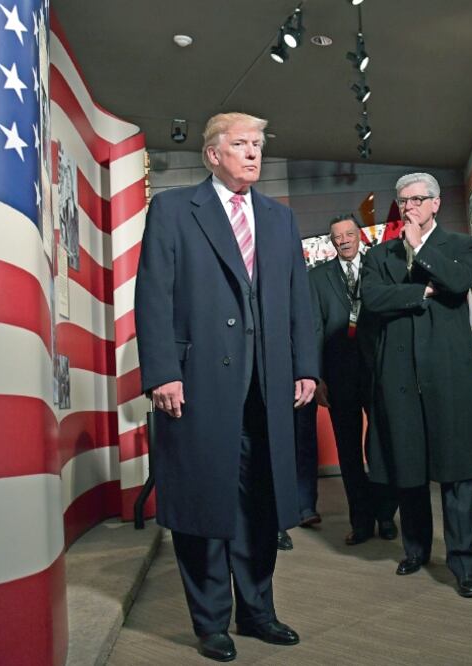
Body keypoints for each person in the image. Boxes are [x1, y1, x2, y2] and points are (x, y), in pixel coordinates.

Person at [135, 112, 318, 662]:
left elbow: (298, 300)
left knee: (261, 504)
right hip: (196, 385)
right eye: (241, 144)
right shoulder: (172, 210)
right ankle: (211, 620)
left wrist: (304, 365)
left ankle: (258, 612)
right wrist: (163, 371)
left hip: (268, 385)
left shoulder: (279, 219)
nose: (253, 154)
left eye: (259, 144)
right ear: (213, 154)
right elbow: (154, 297)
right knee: (202, 503)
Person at [361, 172, 472, 598]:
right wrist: (421, 293)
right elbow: (373, 299)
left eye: (417, 199)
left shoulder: (462, 246)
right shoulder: (379, 255)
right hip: (399, 381)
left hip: (449, 380)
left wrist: (419, 249)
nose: (409, 207)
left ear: (436, 203)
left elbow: (456, 284)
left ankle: (464, 563)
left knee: (457, 475)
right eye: (402, 201)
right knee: (409, 471)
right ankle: (415, 550)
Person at [307, 213, 398, 545]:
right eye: (337, 237)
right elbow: (314, 329)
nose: (343, 240)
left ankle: (386, 517)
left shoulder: (381, 268)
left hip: (378, 373)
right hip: (338, 376)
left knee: (382, 447)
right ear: (331, 242)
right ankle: (361, 522)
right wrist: (315, 377)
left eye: (348, 234)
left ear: (358, 235)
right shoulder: (317, 278)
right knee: (348, 453)